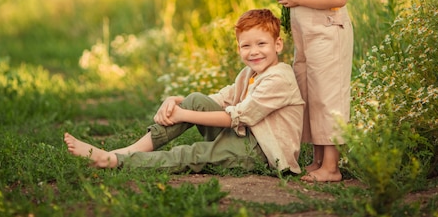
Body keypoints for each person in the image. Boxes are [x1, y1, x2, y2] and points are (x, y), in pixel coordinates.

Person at [64, 9, 306, 174]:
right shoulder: (248, 74)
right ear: (239, 47)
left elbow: (236, 116)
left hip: (262, 152)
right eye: (246, 46)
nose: (254, 52)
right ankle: (127, 151)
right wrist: (177, 101)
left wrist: (181, 115)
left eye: (261, 44)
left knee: (192, 154)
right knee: (195, 100)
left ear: (278, 44)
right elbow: (220, 100)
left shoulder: (280, 77)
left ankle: (114, 160)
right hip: (244, 136)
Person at [272, 0, 370, 182]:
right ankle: (317, 159)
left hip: (329, 33)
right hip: (307, 38)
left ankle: (331, 166)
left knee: (328, 96)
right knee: (310, 93)